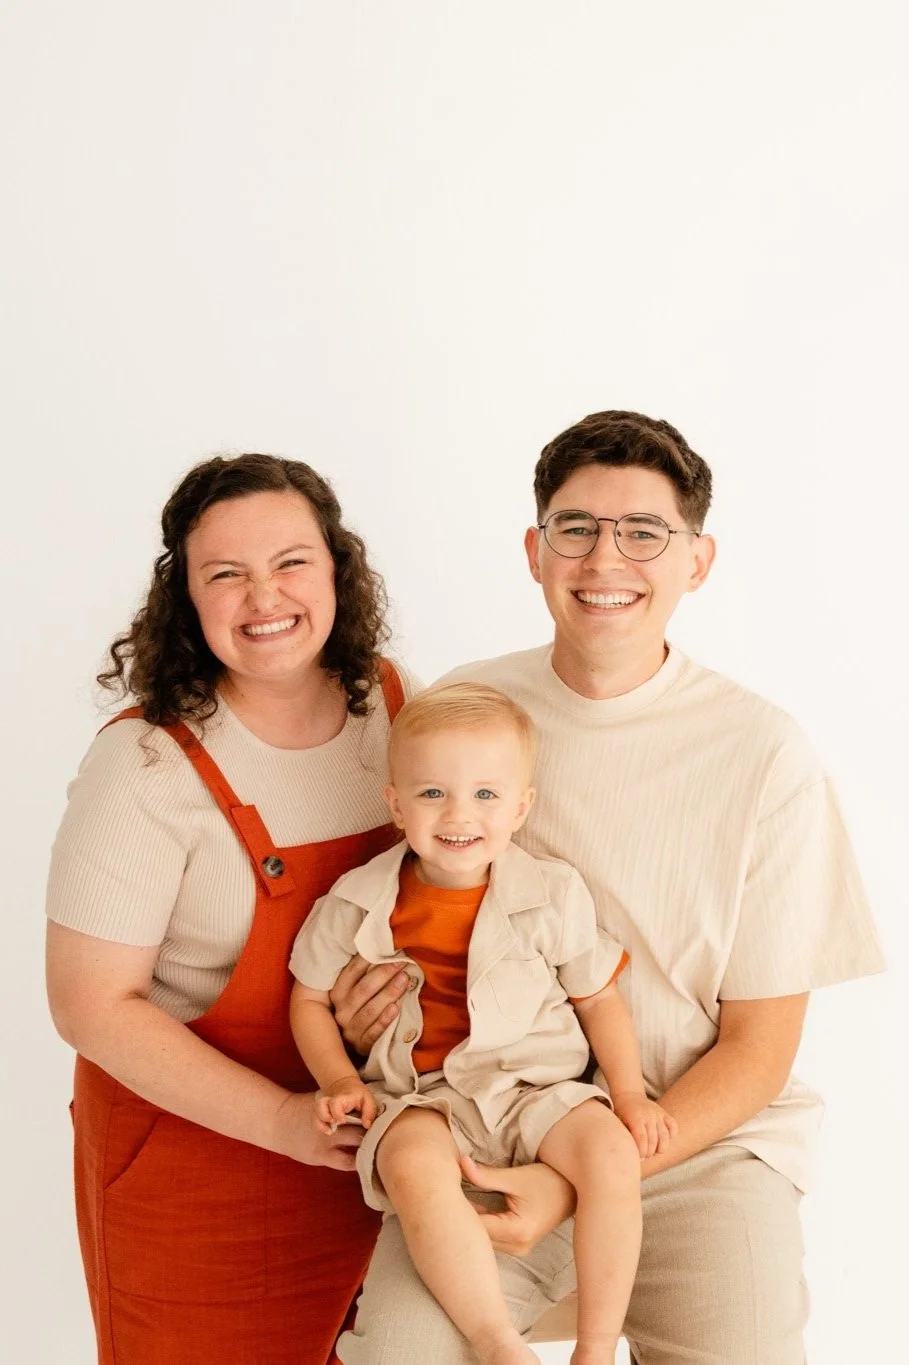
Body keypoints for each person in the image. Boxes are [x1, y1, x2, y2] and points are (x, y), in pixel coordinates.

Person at [332, 411, 886, 1365]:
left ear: (697, 560)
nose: (604, 559)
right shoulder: (468, 714)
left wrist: (590, 1175)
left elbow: (759, 1047)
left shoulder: (763, 754)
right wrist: (355, 1003)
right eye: (575, 528)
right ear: (534, 550)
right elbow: (405, 909)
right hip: (488, 1122)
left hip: (699, 1144)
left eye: (643, 532)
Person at [45, 453, 417, 1365]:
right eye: (226, 574)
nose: (265, 597)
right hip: (195, 1173)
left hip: (379, 1159)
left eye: (291, 562)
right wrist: (286, 1122)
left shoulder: (398, 707)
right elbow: (89, 1004)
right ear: (187, 596)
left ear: (336, 568)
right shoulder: (142, 767)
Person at [290, 683, 677, 1365]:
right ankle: (494, 1339)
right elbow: (308, 997)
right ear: (396, 803)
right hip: (425, 1096)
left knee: (612, 1153)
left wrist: (629, 1092)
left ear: (522, 805)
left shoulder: (552, 893)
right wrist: (338, 1078)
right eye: (433, 793)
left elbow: (597, 998)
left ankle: (594, 1348)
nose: (459, 814)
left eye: (486, 795)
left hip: (537, 1089)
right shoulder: (355, 901)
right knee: (408, 1163)